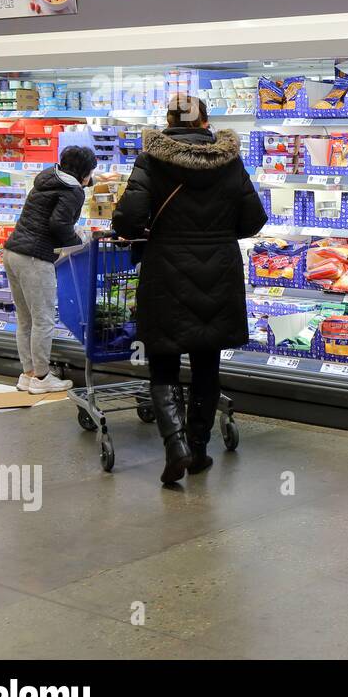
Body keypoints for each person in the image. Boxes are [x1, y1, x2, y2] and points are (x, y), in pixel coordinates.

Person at [112, 95, 266, 485]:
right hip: (219, 269)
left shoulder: (152, 159)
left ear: (168, 120)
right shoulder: (229, 160)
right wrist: (216, 235)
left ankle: (174, 448)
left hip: (166, 270)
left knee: (163, 362)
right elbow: (254, 219)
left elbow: (129, 220)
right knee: (206, 364)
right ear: (205, 121)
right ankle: (198, 451)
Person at [3, 145, 97, 394]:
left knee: (26, 319)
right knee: (43, 320)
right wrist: (79, 244)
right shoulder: (73, 191)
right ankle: (42, 379)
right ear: (84, 171)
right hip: (34, 257)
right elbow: (58, 224)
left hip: (12, 251)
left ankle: (29, 373)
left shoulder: (47, 179)